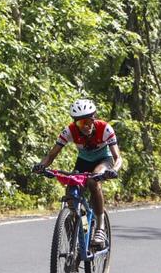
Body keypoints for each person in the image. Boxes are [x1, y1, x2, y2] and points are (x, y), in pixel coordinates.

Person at [33, 98, 123, 246]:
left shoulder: (105, 129)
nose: (86, 126)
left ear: (94, 119)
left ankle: (100, 226)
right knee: (71, 193)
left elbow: (117, 157)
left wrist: (113, 170)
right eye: (81, 123)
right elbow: (51, 155)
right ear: (75, 122)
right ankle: (80, 232)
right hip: (83, 162)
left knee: (93, 181)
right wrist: (41, 166)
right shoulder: (70, 131)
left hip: (103, 160)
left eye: (88, 121)